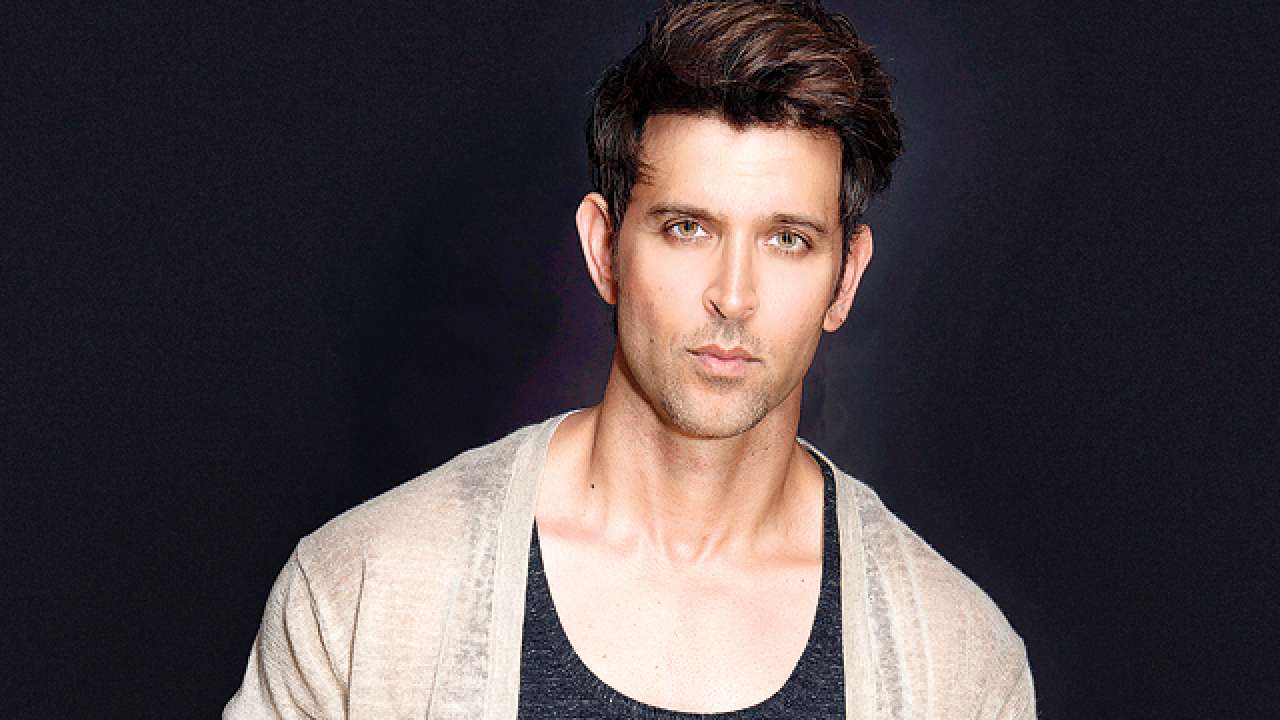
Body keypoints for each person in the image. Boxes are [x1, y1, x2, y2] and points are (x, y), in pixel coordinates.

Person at [225, 1, 1035, 717]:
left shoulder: (957, 662)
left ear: (845, 276)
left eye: (788, 239)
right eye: (687, 228)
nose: (733, 296)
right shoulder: (366, 591)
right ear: (604, 249)